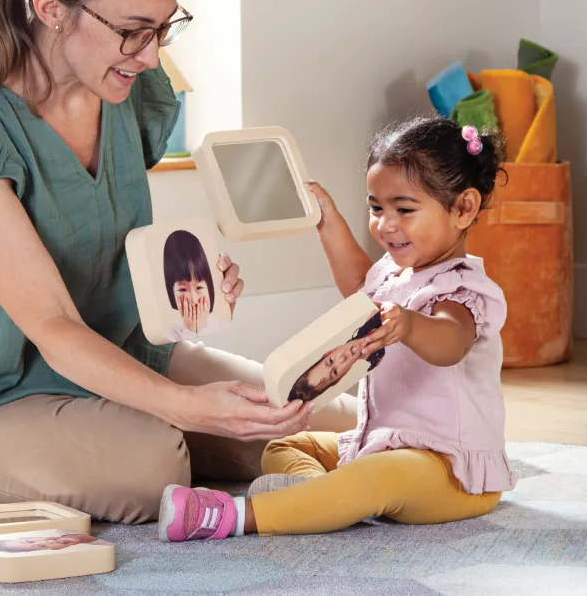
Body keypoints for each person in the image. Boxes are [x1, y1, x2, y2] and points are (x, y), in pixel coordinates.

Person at [0, 0, 356, 524]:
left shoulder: (125, 92)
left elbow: (102, 256)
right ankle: (164, 440)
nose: (152, 56)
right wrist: (186, 408)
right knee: (154, 467)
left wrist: (187, 281)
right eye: (131, 31)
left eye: (164, 28)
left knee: (330, 420)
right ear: (51, 8)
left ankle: (164, 436)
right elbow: (51, 321)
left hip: (120, 360)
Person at [157, 119, 518, 542]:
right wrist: (326, 220)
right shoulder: (392, 273)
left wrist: (410, 325)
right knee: (286, 446)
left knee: (375, 477)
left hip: (447, 470)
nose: (385, 224)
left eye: (404, 209)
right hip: (382, 446)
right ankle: (315, 501)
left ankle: (231, 516)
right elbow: (357, 291)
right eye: (376, 208)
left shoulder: (463, 287)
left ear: (464, 208)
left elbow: (451, 342)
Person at [287, 312, 385, 403]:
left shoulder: (366, 317)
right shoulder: (377, 361)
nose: (342, 359)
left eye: (330, 361)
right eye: (335, 372)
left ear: (329, 352)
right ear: (342, 376)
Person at [163, 230, 226, 341]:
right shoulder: (172, 334)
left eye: (199, 288)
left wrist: (202, 326)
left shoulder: (221, 325)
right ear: (171, 292)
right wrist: (190, 330)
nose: (194, 299)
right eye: (183, 289)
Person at [0, 530, 106, 553]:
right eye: (41, 546)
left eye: (29, 540)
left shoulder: (63, 530)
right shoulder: (94, 549)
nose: (49, 543)